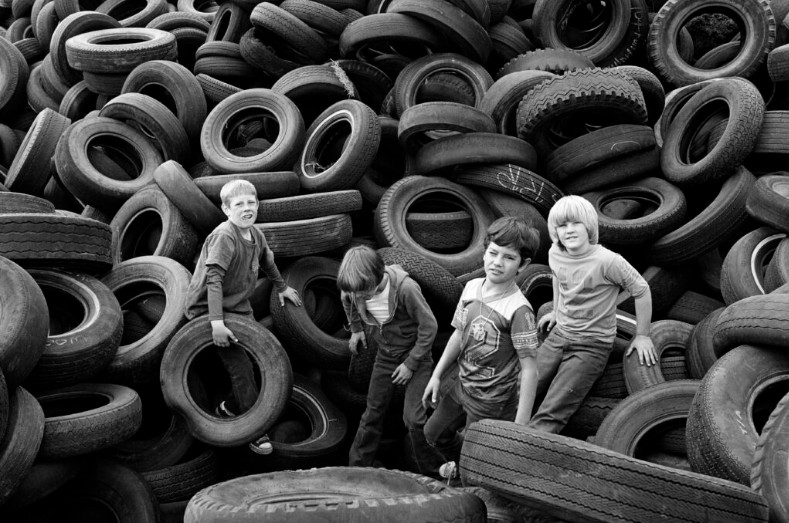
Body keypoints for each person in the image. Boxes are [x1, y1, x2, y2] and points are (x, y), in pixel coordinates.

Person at [184, 179, 302, 455]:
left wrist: (282, 288)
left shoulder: (256, 234)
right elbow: (213, 280)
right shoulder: (225, 236)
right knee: (241, 366)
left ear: (258, 205)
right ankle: (255, 431)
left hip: (238, 307)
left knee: (262, 358)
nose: (247, 208)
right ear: (226, 209)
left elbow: (268, 261)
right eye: (239, 204)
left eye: (251, 203)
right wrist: (216, 324)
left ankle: (230, 407)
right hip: (208, 309)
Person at [422, 216, 541, 482]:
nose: (498, 262)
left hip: (493, 401)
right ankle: (466, 463)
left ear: (523, 265)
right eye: (493, 253)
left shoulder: (519, 310)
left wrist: (521, 426)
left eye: (509, 258)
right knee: (433, 434)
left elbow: (530, 370)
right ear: (484, 252)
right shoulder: (472, 287)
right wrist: (436, 375)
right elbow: (458, 333)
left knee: (476, 466)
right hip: (463, 385)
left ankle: (473, 477)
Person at [528, 195, 656, 434]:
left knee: (553, 409)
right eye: (562, 226)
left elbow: (641, 290)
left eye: (576, 223)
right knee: (522, 387)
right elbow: (557, 276)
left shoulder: (608, 261)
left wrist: (642, 335)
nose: (569, 230)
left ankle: (518, 452)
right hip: (560, 335)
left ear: (589, 226)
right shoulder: (555, 253)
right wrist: (556, 310)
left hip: (592, 346)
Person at [338, 245, 444, 476]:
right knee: (372, 412)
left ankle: (436, 470)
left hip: (416, 356)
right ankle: (357, 470)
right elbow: (347, 299)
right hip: (386, 355)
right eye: (355, 292)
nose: (358, 297)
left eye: (363, 292)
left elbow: (429, 327)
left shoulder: (406, 289)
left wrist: (410, 364)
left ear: (376, 277)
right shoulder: (356, 289)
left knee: (413, 419)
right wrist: (356, 329)